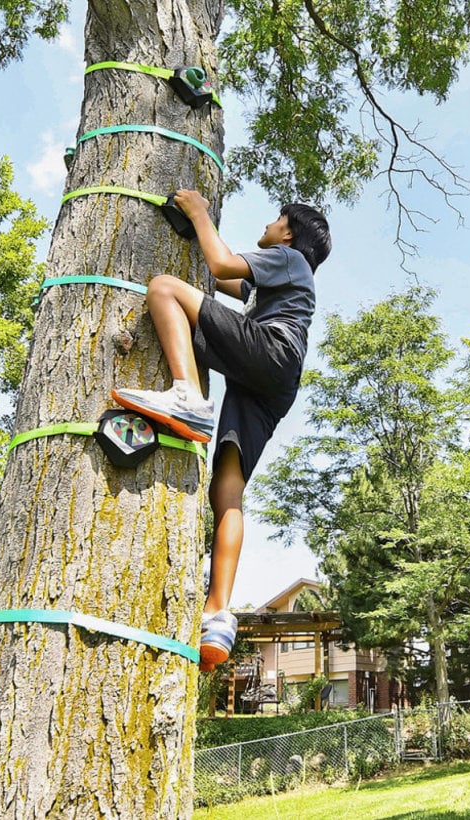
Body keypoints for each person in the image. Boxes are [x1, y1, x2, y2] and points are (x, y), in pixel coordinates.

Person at [112, 189, 331, 671]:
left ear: (289, 233)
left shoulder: (290, 259)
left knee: (165, 288)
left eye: (277, 219)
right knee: (226, 493)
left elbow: (223, 265)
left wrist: (198, 212)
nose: (270, 225)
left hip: (270, 353)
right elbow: (221, 285)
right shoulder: (278, 281)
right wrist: (200, 235)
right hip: (271, 381)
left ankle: (187, 394)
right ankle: (218, 614)